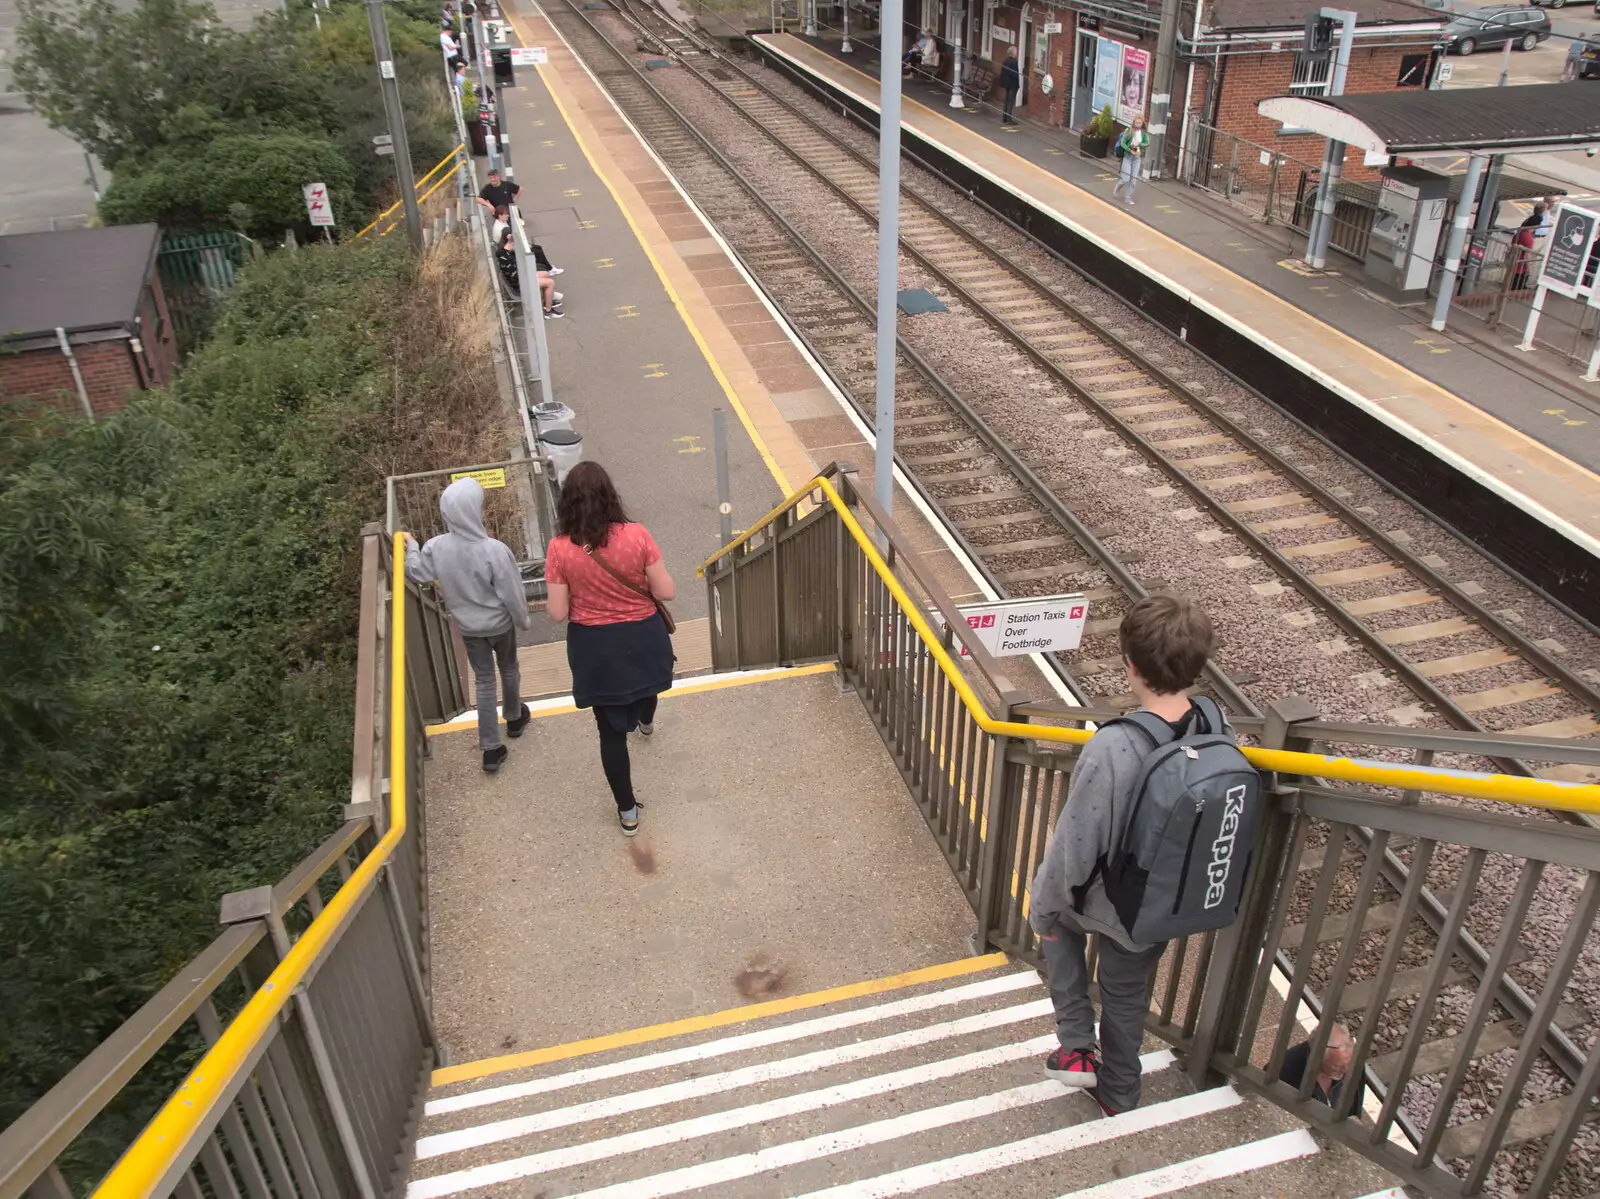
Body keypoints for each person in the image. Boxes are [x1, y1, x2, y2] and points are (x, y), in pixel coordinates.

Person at [1028, 593, 1220, 1116]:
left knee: (1048, 916)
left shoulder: (1114, 746)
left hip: (1112, 897)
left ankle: (1075, 1047)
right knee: (1127, 993)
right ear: (1197, 664)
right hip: (1164, 902)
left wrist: (1044, 902)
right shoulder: (1213, 725)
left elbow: (1076, 847)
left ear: (1129, 664)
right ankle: (1120, 1092)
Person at [543, 463, 676, 836]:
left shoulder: (558, 549)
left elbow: (555, 613)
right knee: (647, 689)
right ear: (609, 495)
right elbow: (665, 591)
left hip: (595, 647)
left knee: (610, 733)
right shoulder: (637, 535)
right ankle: (645, 720)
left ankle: (628, 811)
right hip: (643, 637)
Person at [405, 478, 531, 774]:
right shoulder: (494, 550)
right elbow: (511, 593)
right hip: (500, 625)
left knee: (484, 681)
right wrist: (522, 620)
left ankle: (490, 748)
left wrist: (412, 546)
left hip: (469, 629)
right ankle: (514, 718)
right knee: (509, 668)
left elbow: (416, 572)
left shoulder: (437, 547)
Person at [1279, 1024, 1366, 1112]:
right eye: (1337, 1067)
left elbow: (1355, 1111)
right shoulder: (1283, 1072)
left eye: (1348, 1063)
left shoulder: (1356, 1065)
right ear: (1317, 1057)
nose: (1346, 1070)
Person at [495, 225, 563, 317]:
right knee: (550, 282)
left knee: (546, 274)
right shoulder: (506, 257)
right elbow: (515, 275)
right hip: (520, 284)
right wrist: (531, 275)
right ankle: (548, 311)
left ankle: (548, 299)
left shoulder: (506, 252)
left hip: (521, 277)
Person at [1112, 115, 1149, 206]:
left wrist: (1140, 144)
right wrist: (1130, 150)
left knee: (1133, 180)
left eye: (1140, 123)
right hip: (1128, 157)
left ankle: (1128, 198)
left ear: (1142, 123)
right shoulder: (1129, 131)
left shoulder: (1143, 133)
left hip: (1137, 159)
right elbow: (1123, 143)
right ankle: (1118, 186)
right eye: (1136, 123)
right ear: (1133, 122)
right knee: (1126, 178)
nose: (1138, 125)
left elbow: (1147, 143)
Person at [999, 47, 1021, 129]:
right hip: (1013, 85)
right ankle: (1008, 118)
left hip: (1007, 85)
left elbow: (1003, 73)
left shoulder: (1005, 61)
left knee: (1007, 100)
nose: (1017, 53)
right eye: (1016, 52)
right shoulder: (1014, 62)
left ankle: (1004, 117)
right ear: (1013, 53)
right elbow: (1015, 75)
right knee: (1011, 101)